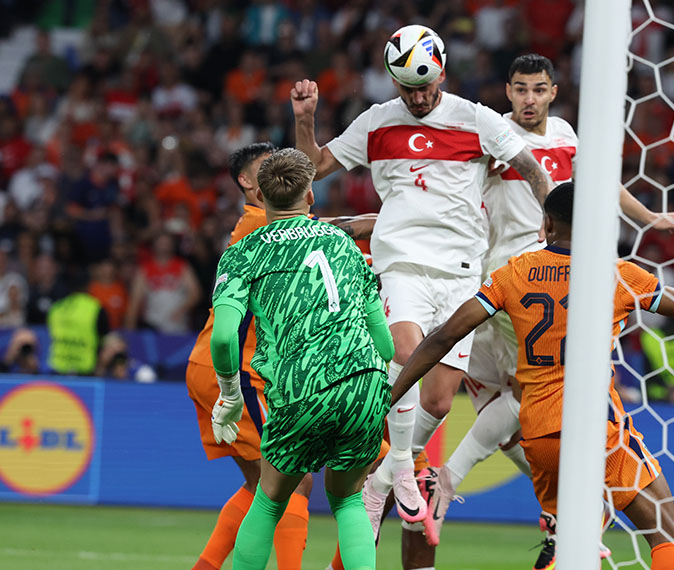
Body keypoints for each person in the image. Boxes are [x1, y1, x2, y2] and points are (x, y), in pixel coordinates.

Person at [291, 23, 554, 535]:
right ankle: (404, 471)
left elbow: (529, 165)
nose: (417, 96)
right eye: (407, 87)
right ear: (393, 82)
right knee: (406, 352)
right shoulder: (376, 123)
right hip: (402, 261)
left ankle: (384, 479)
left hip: (462, 270)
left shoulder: (475, 120)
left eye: (425, 86)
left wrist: (551, 220)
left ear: (442, 75)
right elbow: (314, 167)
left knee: (436, 400)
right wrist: (305, 121)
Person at [425, 54, 674, 544]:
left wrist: (648, 217)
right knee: (533, 397)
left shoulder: (567, 134)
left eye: (538, 89)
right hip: (512, 279)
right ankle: (538, 501)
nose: (529, 99)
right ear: (508, 91)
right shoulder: (491, 137)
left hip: (558, 274)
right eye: (521, 89)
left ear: (551, 91)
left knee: (519, 410)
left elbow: (600, 185)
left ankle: (560, 515)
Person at [390, 183, 674, 570]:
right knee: (666, 536)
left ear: (545, 223)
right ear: (595, 225)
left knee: (568, 547)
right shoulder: (619, 275)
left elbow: (445, 336)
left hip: (540, 433)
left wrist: (392, 395)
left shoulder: (512, 274)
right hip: (598, 430)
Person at [207, 148, 394, 570]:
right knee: (347, 500)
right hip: (363, 381)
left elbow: (223, 338)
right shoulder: (343, 243)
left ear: (263, 197)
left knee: (270, 500)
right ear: (310, 195)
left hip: (299, 388)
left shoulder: (243, 252)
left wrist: (231, 395)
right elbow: (385, 344)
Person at [186, 142, 314, 570]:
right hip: (233, 368)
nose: (279, 173)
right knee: (294, 480)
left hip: (216, 362)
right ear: (246, 181)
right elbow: (316, 232)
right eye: (266, 168)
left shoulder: (262, 223)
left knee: (260, 484)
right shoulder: (260, 223)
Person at [47, 274, 108, 376]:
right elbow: (105, 339)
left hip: (57, 371)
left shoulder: (56, 308)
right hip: (86, 372)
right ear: (88, 286)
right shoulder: (96, 308)